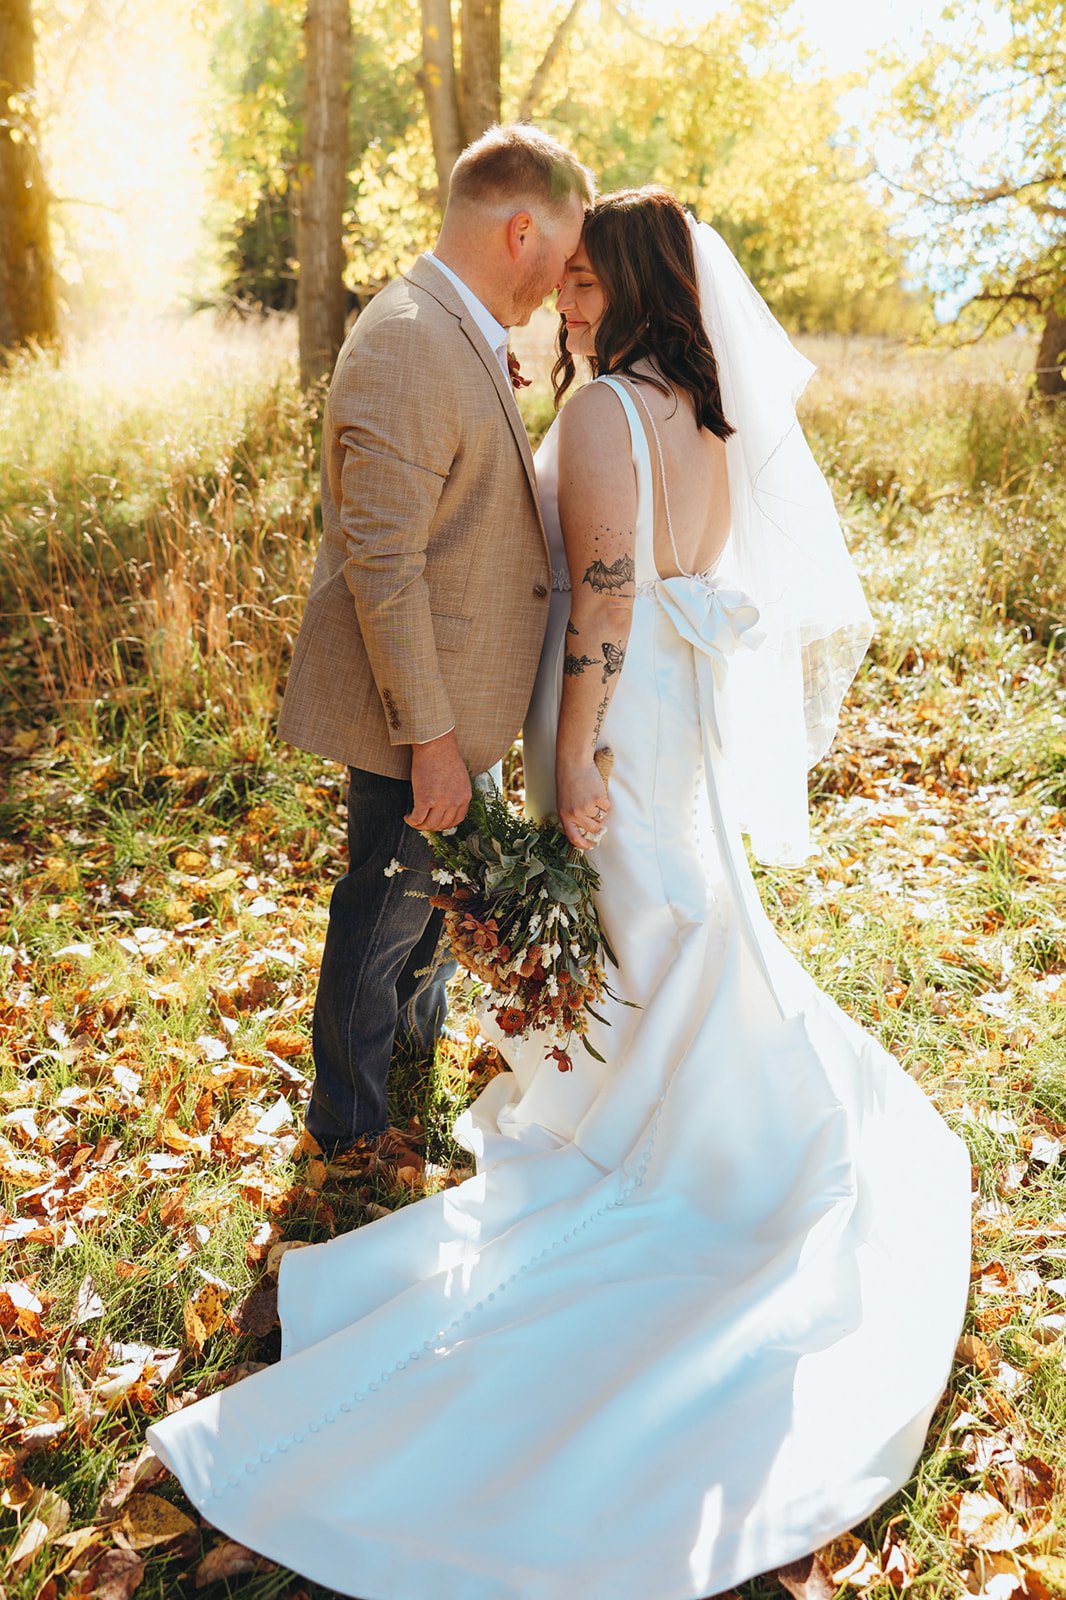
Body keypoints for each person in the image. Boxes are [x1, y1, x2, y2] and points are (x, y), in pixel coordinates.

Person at [147, 188, 972, 1598]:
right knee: (667, 930)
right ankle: (676, 1113)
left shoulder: (605, 413)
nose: (568, 302)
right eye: (565, 277)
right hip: (680, 723)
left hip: (624, 723)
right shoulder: (703, 412)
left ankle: (652, 1149)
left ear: (637, 282)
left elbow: (604, 602)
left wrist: (574, 751)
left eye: (587, 281)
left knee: (637, 921)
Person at [274, 123, 592, 1158]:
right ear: (518, 229)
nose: (562, 279)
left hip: (461, 706)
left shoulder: (458, 329)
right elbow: (385, 561)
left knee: (427, 916)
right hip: (420, 713)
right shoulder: (411, 335)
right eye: (563, 248)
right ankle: (350, 1128)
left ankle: (404, 1074)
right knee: (383, 911)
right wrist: (433, 737)